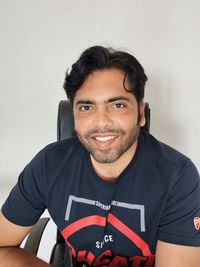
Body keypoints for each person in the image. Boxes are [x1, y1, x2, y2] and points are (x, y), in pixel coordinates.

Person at [0, 45, 200, 267]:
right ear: (73, 115)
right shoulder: (49, 165)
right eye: (86, 108)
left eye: (117, 105)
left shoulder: (178, 176)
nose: (101, 122)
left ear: (141, 113)